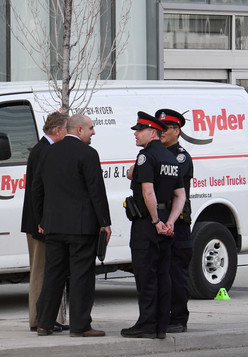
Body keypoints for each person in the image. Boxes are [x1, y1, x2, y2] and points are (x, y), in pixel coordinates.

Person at [32, 114, 111, 337]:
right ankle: (80, 325)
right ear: (78, 130)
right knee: (81, 276)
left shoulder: (49, 152)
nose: (93, 132)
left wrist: (42, 219)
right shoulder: (88, 154)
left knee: (53, 274)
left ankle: (44, 323)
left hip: (54, 225)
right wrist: (104, 222)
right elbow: (96, 190)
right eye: (91, 128)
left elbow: (36, 188)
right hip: (81, 226)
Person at [121, 112, 185, 340]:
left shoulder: (146, 157)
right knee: (163, 274)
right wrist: (170, 221)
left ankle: (147, 324)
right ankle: (161, 325)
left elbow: (147, 191)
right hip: (166, 220)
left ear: (153, 132)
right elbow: (180, 195)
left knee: (146, 274)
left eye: (139, 130)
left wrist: (156, 221)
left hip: (148, 224)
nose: (136, 134)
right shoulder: (170, 158)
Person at [20, 111, 69, 333]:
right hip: (39, 224)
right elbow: (37, 191)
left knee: (47, 271)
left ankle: (46, 317)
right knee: (40, 273)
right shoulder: (45, 151)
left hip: (40, 221)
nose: (68, 134)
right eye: (66, 130)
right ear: (57, 130)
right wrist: (42, 221)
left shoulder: (42, 149)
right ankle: (39, 318)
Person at [155, 108, 194, 333]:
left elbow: (166, 183)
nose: (161, 132)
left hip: (177, 221)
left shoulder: (180, 157)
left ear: (177, 130)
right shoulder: (158, 154)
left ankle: (179, 317)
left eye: (166, 128)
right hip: (161, 220)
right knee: (161, 269)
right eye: (158, 128)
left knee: (176, 271)